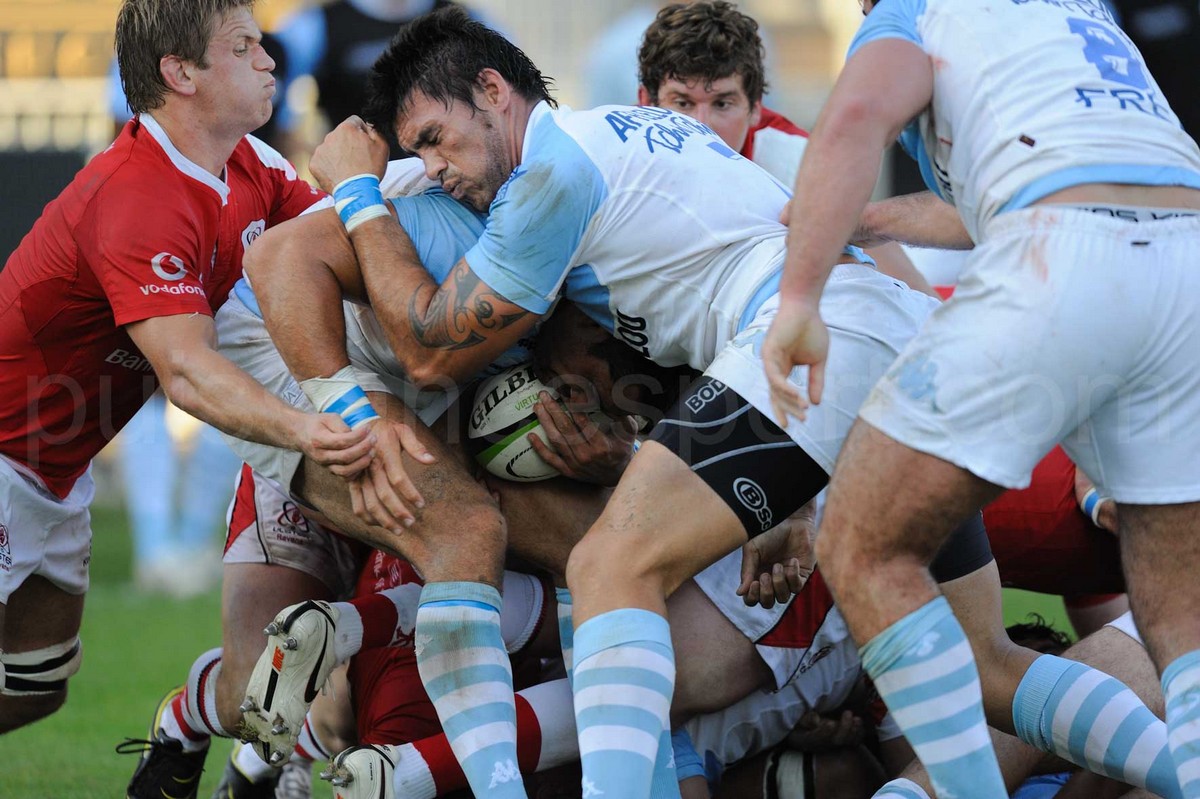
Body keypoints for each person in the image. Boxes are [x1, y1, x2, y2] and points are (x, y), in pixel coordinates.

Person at [239, 9, 1184, 799]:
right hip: (891, 337)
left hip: (812, 342)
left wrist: (359, 192)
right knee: (984, 662)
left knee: (610, 564)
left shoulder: (550, 172)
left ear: (493, 91)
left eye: (434, 139)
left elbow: (428, 344)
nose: (434, 166)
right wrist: (777, 499)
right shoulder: (625, 140)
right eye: (415, 153)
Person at [760, 0, 1200, 797]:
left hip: (1062, 252)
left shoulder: (914, 10)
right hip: (1185, 257)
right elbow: (1022, 183)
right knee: (1181, 618)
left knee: (862, 544)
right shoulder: (1077, 10)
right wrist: (864, 218)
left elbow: (854, 116)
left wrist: (799, 297)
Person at [0, 0, 407, 745]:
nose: (269, 59)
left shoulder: (253, 166)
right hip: (5, 462)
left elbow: (341, 255)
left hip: (55, 473)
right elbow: (186, 374)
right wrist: (307, 428)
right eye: (244, 47)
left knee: (34, 689)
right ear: (180, 73)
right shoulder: (137, 194)